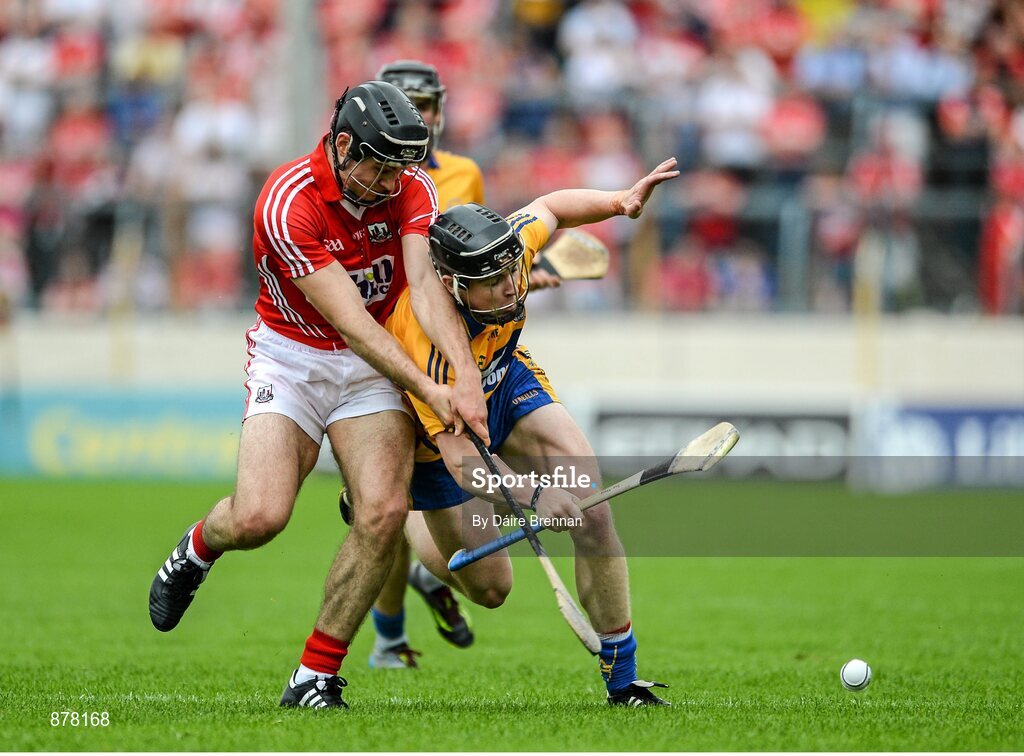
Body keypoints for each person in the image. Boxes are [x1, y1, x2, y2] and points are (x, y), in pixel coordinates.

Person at [148, 80, 488, 710]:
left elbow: (422, 282)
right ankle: (197, 548)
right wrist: (429, 387)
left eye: (400, 169)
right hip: (295, 357)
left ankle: (315, 677)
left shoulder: (414, 186)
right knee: (260, 517)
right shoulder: (287, 203)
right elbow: (353, 324)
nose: (392, 183)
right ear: (340, 147)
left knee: (384, 511)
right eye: (379, 168)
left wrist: (463, 376)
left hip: (371, 369)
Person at [385, 158, 680, 705]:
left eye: (510, 274)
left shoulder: (504, 251)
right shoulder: (428, 348)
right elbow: (467, 465)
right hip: (441, 436)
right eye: (491, 284)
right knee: (491, 588)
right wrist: (537, 494)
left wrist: (620, 201)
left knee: (591, 504)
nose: (510, 288)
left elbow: (549, 207)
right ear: (450, 286)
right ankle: (403, 513)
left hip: (507, 381)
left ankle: (624, 681)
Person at [344, 60, 560, 669]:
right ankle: (387, 638)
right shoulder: (361, 178)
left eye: (428, 105)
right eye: (409, 104)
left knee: (423, 505)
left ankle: (412, 599)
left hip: (441, 356)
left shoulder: (462, 173)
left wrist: (507, 284)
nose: (425, 116)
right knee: (380, 511)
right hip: (377, 355)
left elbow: (470, 263)